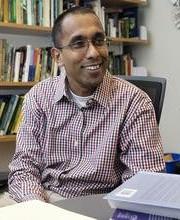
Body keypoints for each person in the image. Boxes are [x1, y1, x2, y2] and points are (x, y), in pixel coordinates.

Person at [7, 6, 165, 204]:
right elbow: (24, 167)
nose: (93, 53)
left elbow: (144, 183)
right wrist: (39, 209)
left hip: (101, 204)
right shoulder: (39, 96)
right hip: (41, 199)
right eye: (78, 43)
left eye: (99, 40)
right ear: (57, 57)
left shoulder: (134, 102)